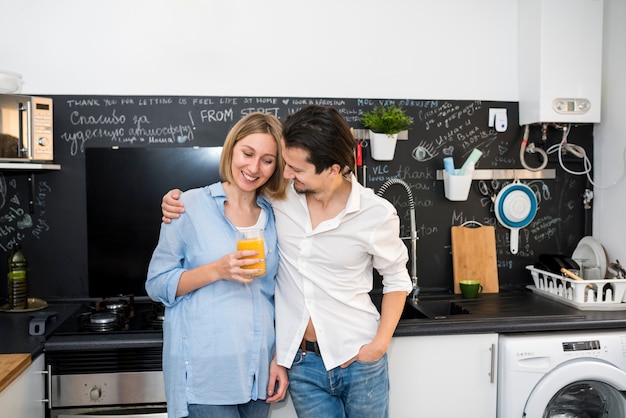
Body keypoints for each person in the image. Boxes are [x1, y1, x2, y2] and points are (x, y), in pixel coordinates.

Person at [161, 105, 413, 418]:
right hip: (302, 364)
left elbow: (397, 279)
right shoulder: (278, 198)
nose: (286, 174)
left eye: (296, 168)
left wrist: (378, 345)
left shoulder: (376, 214)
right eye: (285, 164)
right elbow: (234, 187)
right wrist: (176, 200)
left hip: (358, 358)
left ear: (333, 169)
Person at [146, 112, 289, 418]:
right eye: (247, 154)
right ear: (231, 150)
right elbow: (157, 284)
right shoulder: (188, 205)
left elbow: (278, 296)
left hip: (257, 372)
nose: (253, 168)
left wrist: (279, 358)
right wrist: (218, 270)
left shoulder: (276, 216)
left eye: (267, 160)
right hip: (206, 373)